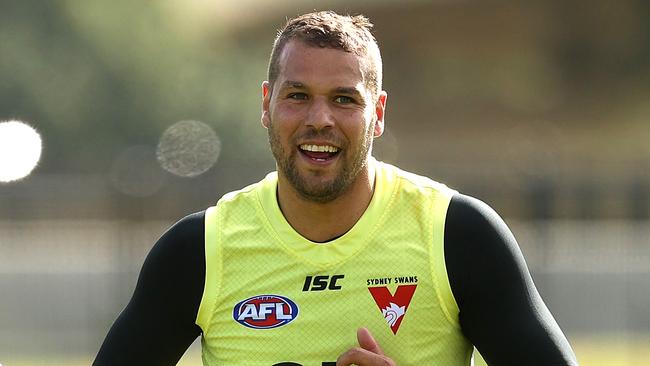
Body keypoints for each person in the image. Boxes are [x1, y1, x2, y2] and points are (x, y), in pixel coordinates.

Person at [93, 11, 578, 366]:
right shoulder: (199, 250)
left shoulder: (458, 236)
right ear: (267, 105)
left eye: (344, 99)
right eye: (297, 96)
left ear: (379, 113)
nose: (318, 120)